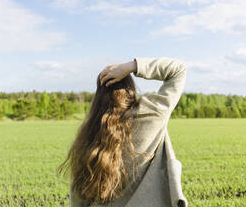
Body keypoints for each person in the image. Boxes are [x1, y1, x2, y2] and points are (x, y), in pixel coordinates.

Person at [57, 57, 188, 207]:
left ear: (98, 97)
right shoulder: (152, 115)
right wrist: (132, 66)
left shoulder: (89, 136)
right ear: (130, 89)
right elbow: (178, 69)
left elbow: (78, 198)